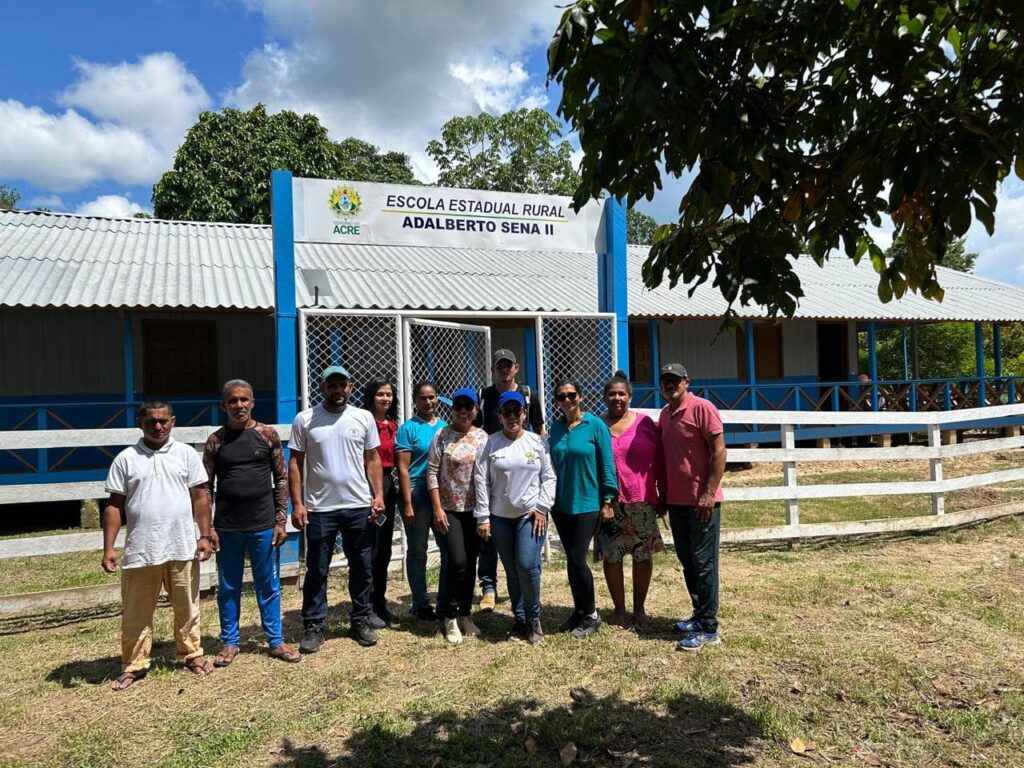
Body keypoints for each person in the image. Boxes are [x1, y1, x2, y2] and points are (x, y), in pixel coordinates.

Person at [101, 401, 215, 691]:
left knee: (187, 606)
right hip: (142, 548)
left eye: (163, 421)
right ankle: (134, 664)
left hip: (181, 545)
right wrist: (109, 548)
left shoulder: (186, 454)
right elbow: (114, 506)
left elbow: (200, 496)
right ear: (140, 422)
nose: (158, 426)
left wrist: (204, 534)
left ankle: (192, 654)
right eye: (151, 421)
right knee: (136, 611)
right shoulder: (126, 459)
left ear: (173, 421)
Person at [202, 380, 300, 666]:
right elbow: (205, 486)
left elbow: (281, 477)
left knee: (268, 584)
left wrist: (281, 519)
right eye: (233, 401)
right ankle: (230, 643)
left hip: (263, 525)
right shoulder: (216, 441)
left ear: (253, 402)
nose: (239, 405)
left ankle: (276, 640)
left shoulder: (266, 435)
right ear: (224, 406)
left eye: (244, 400)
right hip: (228, 527)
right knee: (229, 586)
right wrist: (208, 528)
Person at [289, 366, 386, 651]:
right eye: (331, 385)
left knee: (362, 566)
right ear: (322, 389)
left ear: (350, 387)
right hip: (320, 508)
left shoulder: (363, 417)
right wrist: (298, 503)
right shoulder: (305, 420)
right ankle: (314, 624)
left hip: (358, 505)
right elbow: (295, 462)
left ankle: (361, 619)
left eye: (342, 385)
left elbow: (372, 458)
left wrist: (378, 494)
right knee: (317, 569)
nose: (337, 390)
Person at [474, 390, 555, 645]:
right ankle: (519, 619)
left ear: (524, 413)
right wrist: (483, 517)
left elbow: (549, 477)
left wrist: (542, 507)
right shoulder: (489, 444)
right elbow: (481, 481)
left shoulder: (537, 442)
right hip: (500, 518)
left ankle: (533, 618)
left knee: (527, 566)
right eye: (506, 412)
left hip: (529, 516)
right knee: (511, 570)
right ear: (499, 416)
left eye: (516, 412)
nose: (512, 417)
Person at [657, 363, 727, 651]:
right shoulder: (665, 415)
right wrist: (662, 495)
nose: (670, 385)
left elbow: (719, 450)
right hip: (677, 500)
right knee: (688, 561)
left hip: (702, 502)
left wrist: (708, 493)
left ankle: (709, 627)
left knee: (704, 563)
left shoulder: (702, 408)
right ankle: (698, 615)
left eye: (675, 380)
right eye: (665, 381)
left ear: (687, 381)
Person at [473, 349, 545, 612]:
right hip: (496, 467)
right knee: (489, 539)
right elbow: (479, 429)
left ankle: (529, 606)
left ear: (516, 368)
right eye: (499, 366)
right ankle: (489, 587)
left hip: (522, 470)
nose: (504, 370)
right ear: (494, 368)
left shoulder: (528, 394)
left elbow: (539, 430)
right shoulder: (484, 395)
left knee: (524, 560)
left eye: (508, 366)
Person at [548, 380, 618, 639]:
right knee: (571, 560)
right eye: (561, 397)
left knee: (578, 558)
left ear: (581, 396)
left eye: (571, 395)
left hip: (587, 503)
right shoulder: (555, 429)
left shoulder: (595, 425)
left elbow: (606, 463)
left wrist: (608, 498)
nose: (567, 400)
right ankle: (578, 610)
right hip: (561, 504)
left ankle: (591, 613)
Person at [598, 371, 665, 630]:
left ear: (630, 396)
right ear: (605, 397)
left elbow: (659, 461)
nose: (617, 398)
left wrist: (663, 493)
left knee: (642, 556)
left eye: (621, 394)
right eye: (612, 393)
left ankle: (639, 609)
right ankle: (619, 610)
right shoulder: (597, 424)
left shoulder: (645, 424)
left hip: (642, 500)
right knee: (612, 557)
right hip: (609, 503)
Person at [426, 387, 489, 645]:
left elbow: (487, 474)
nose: (463, 411)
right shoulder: (442, 435)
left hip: (475, 510)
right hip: (449, 510)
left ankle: (465, 613)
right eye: (459, 406)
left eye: (468, 406)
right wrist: (437, 508)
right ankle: (448, 615)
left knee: (471, 561)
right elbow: (431, 472)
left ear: (476, 409)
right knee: (457, 561)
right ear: (452, 409)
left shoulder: (483, 437)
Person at [395, 381, 448, 621]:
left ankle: (447, 598)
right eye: (423, 398)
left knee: (448, 548)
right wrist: (407, 504)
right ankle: (420, 602)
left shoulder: (445, 427)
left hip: (441, 494)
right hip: (417, 493)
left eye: (432, 397)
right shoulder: (408, 429)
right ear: (415, 401)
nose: (428, 402)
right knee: (418, 551)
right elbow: (403, 469)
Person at [363, 378, 400, 625]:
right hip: (367, 484)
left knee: (384, 547)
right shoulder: (365, 423)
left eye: (388, 394)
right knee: (369, 547)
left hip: (390, 485)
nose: (385, 399)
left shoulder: (394, 425)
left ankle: (380, 600)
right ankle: (365, 603)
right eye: (380, 394)